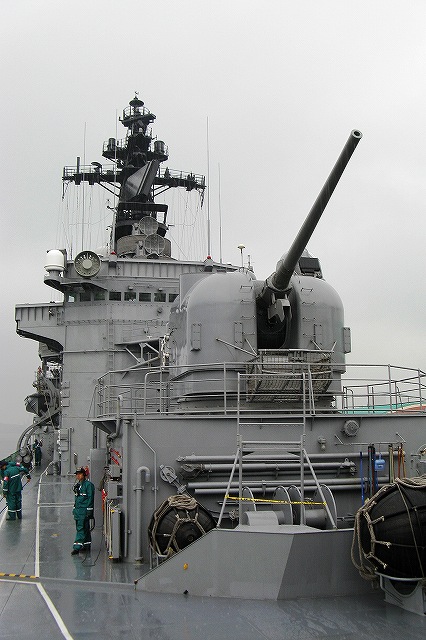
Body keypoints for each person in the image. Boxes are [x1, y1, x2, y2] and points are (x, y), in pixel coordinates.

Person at [71, 467, 95, 555]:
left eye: (80, 474)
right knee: (85, 528)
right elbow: (77, 499)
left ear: (84, 475)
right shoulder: (79, 485)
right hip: (78, 511)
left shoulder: (88, 485)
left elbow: (90, 498)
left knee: (80, 528)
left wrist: (89, 510)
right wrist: (74, 509)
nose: (78, 476)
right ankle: (86, 544)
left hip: (83, 511)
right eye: (77, 474)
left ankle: (77, 547)